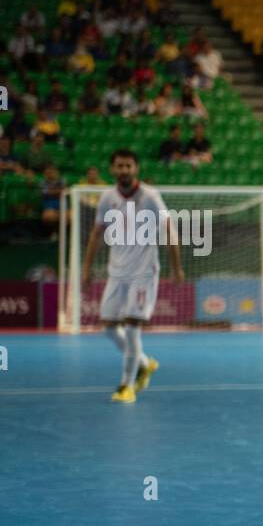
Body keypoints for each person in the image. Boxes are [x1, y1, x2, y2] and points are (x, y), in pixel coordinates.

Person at [80, 149, 185, 403]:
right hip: (117, 272)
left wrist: (176, 267)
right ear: (112, 170)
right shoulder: (106, 198)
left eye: (128, 165)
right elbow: (96, 234)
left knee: (131, 329)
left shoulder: (150, 196)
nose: (124, 170)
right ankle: (145, 363)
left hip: (144, 272)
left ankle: (126, 386)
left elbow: (169, 230)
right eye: (119, 166)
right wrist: (86, 269)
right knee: (108, 328)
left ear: (136, 168)